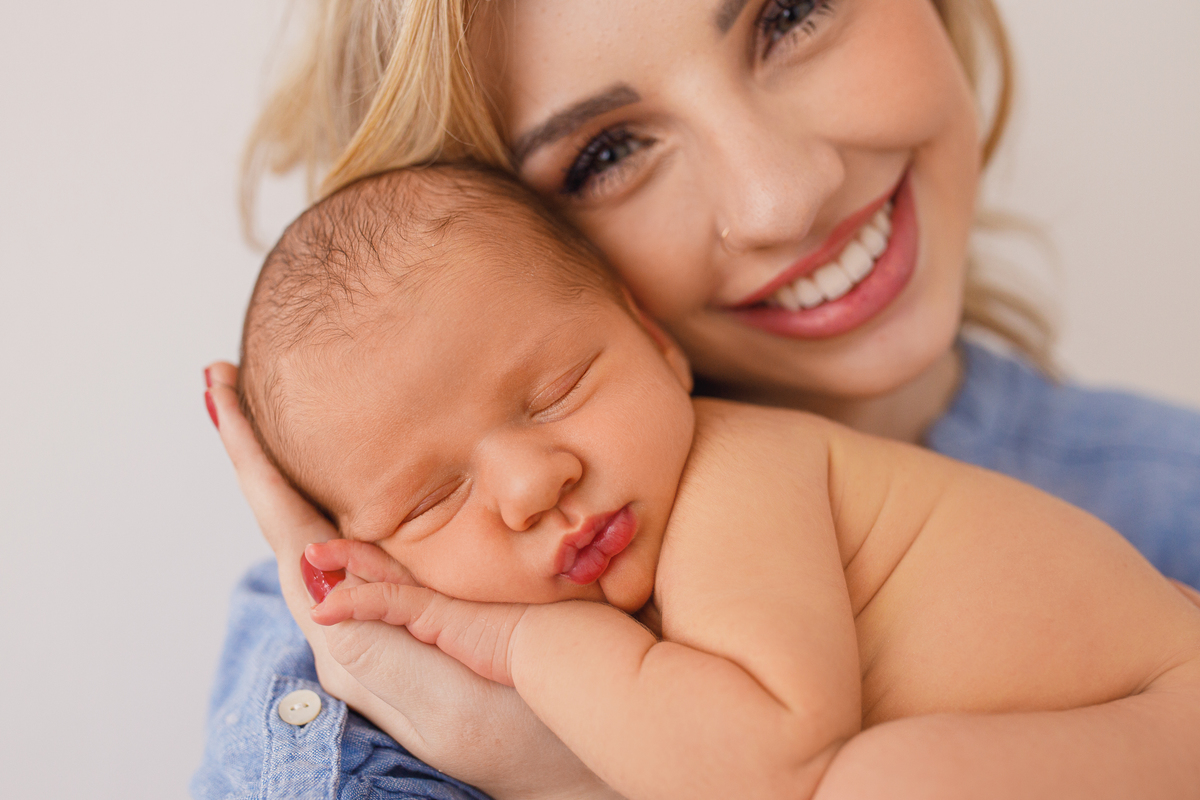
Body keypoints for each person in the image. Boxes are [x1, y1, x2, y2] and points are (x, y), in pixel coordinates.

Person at [195, 1, 1200, 798]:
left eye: (792, 11)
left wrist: (546, 709)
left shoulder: (740, 471)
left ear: (642, 328)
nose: (782, 194)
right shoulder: (356, 663)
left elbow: (771, 766)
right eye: (607, 151)